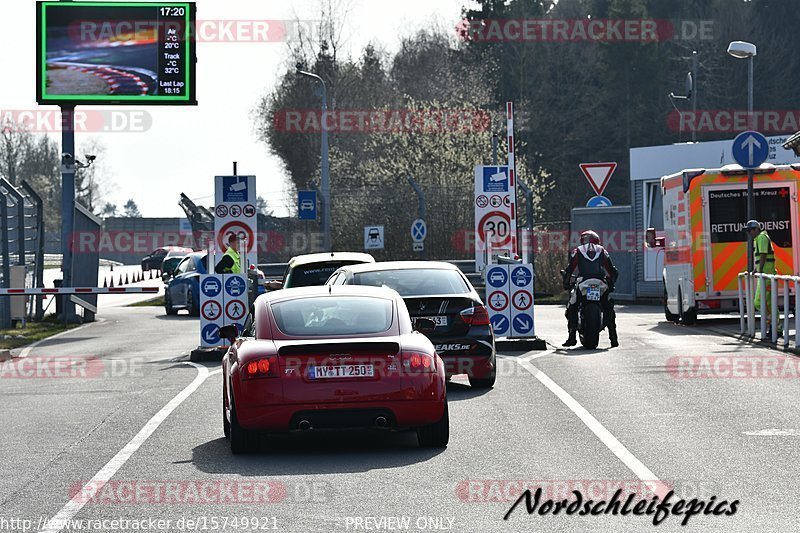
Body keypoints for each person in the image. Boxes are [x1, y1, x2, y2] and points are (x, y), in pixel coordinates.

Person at [561, 230, 619, 347]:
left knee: (572, 306)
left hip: (583, 283)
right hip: (601, 283)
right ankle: (613, 338)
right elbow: (613, 271)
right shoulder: (603, 250)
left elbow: (570, 270)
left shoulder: (577, 251)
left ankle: (571, 337)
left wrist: (566, 283)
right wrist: (611, 284)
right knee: (608, 307)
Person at [745, 219, 779, 335]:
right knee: (766, 302)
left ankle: (775, 326)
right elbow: (761, 256)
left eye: (750, 230)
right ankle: (774, 326)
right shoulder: (758, 239)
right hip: (765, 275)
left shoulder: (761, 238)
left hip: (767, 275)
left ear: (756, 229)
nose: (749, 233)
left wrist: (759, 270)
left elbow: (763, 255)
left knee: (761, 302)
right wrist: (756, 269)